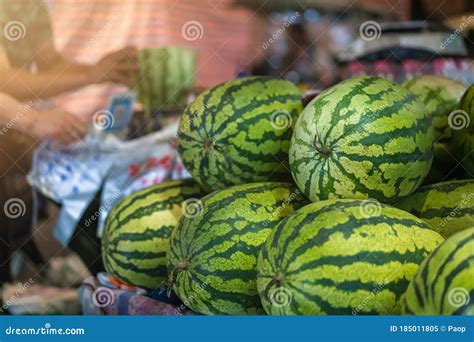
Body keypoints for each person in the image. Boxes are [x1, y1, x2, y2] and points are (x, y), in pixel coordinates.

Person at [0, 0, 137, 284]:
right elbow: (4, 81)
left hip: (17, 140)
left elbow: (50, 64)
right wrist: (34, 119)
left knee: (18, 229)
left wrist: (99, 71)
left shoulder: (31, 6)